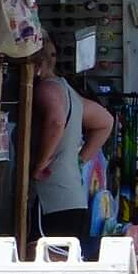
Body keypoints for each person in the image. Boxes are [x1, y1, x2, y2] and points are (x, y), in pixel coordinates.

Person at [29, 40, 115, 259]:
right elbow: (105, 121)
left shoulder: (46, 90)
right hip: (73, 196)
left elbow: (56, 122)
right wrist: (79, 161)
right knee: (63, 263)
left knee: (45, 260)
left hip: (51, 195)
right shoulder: (70, 94)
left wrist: (40, 163)